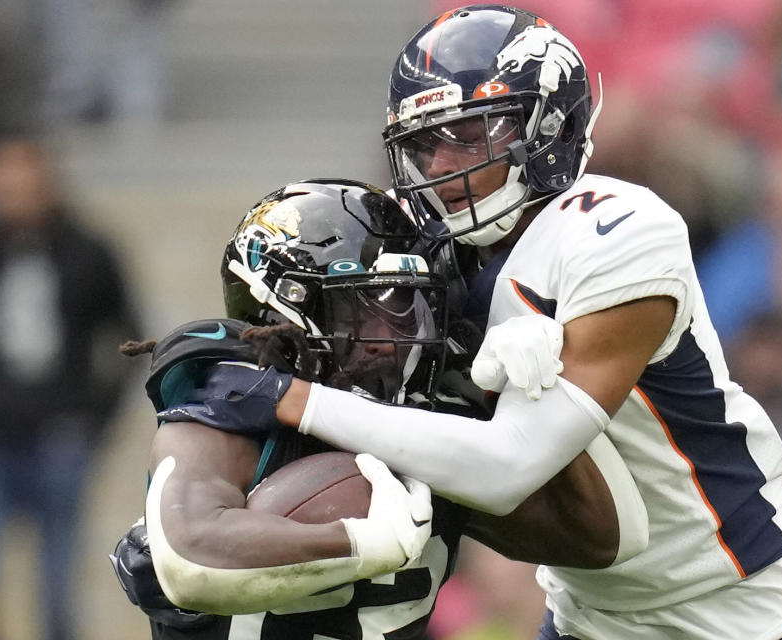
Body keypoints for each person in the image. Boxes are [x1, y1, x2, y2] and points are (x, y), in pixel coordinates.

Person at [164, 6, 782, 639]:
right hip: (591, 612)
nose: (444, 167)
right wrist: (240, 347)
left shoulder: (620, 231)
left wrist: (296, 400)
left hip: (733, 608)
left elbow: (510, 465)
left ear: (544, 126)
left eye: (469, 134)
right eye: (425, 144)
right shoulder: (428, 247)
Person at [114, 178, 645, 638]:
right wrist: (362, 542)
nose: (390, 338)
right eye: (361, 309)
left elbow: (603, 536)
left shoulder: (430, 427)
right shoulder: (223, 411)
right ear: (287, 307)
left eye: (405, 307)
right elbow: (191, 557)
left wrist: (538, 399)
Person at [0, 137, 141, 640]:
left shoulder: (88, 251)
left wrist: (96, 415)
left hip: (59, 434)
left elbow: (126, 336)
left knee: (57, 585)